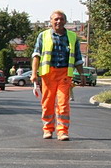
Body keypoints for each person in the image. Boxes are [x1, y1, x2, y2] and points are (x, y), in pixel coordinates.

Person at [30, 10, 85, 141]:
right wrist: (34, 74)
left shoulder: (72, 37)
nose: (58, 21)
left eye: (61, 19)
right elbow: (36, 56)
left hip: (65, 74)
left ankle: (62, 132)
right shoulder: (43, 36)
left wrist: (82, 74)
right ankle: (48, 130)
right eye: (56, 19)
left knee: (63, 104)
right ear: (51, 21)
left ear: (65, 21)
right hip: (48, 74)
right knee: (47, 103)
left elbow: (77, 58)